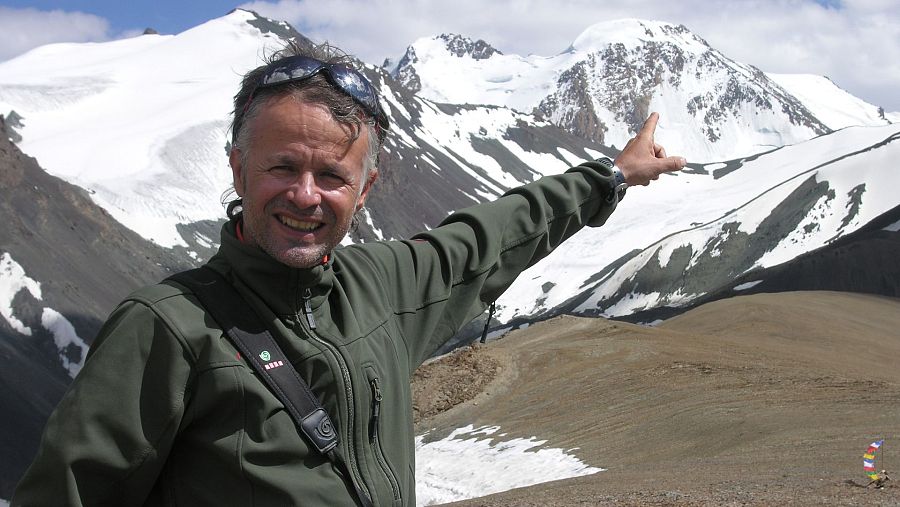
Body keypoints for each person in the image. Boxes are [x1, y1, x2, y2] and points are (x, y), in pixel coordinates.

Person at [12, 40, 685, 506]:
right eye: (282, 167)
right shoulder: (166, 330)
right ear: (238, 168)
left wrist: (613, 174)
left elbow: (495, 234)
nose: (305, 195)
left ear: (365, 188)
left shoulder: (384, 286)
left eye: (331, 174)